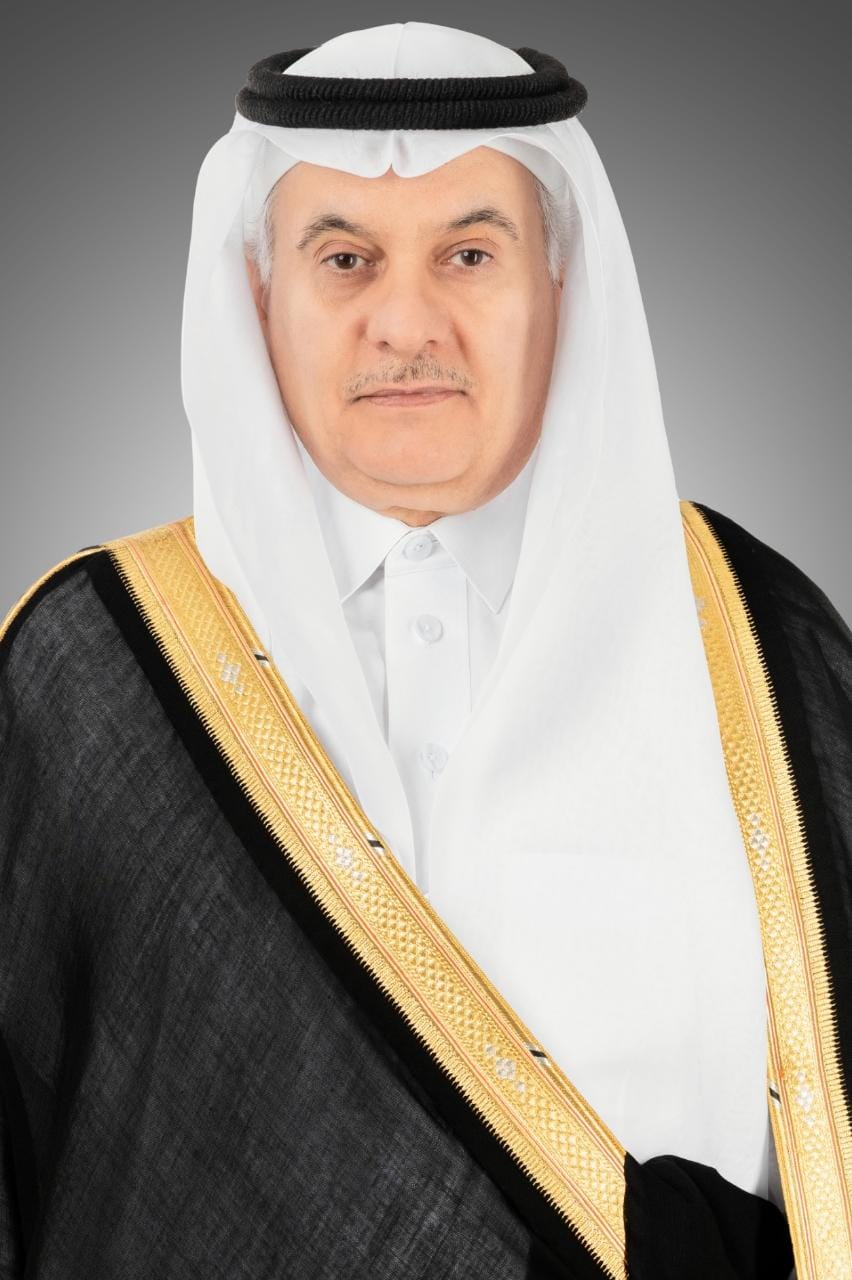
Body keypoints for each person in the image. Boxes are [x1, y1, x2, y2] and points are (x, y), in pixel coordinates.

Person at [0, 20, 848, 1279]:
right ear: (259, 298)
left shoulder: (763, 640)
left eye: (470, 253)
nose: (407, 320)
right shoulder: (88, 670)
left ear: (561, 286)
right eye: (344, 258)